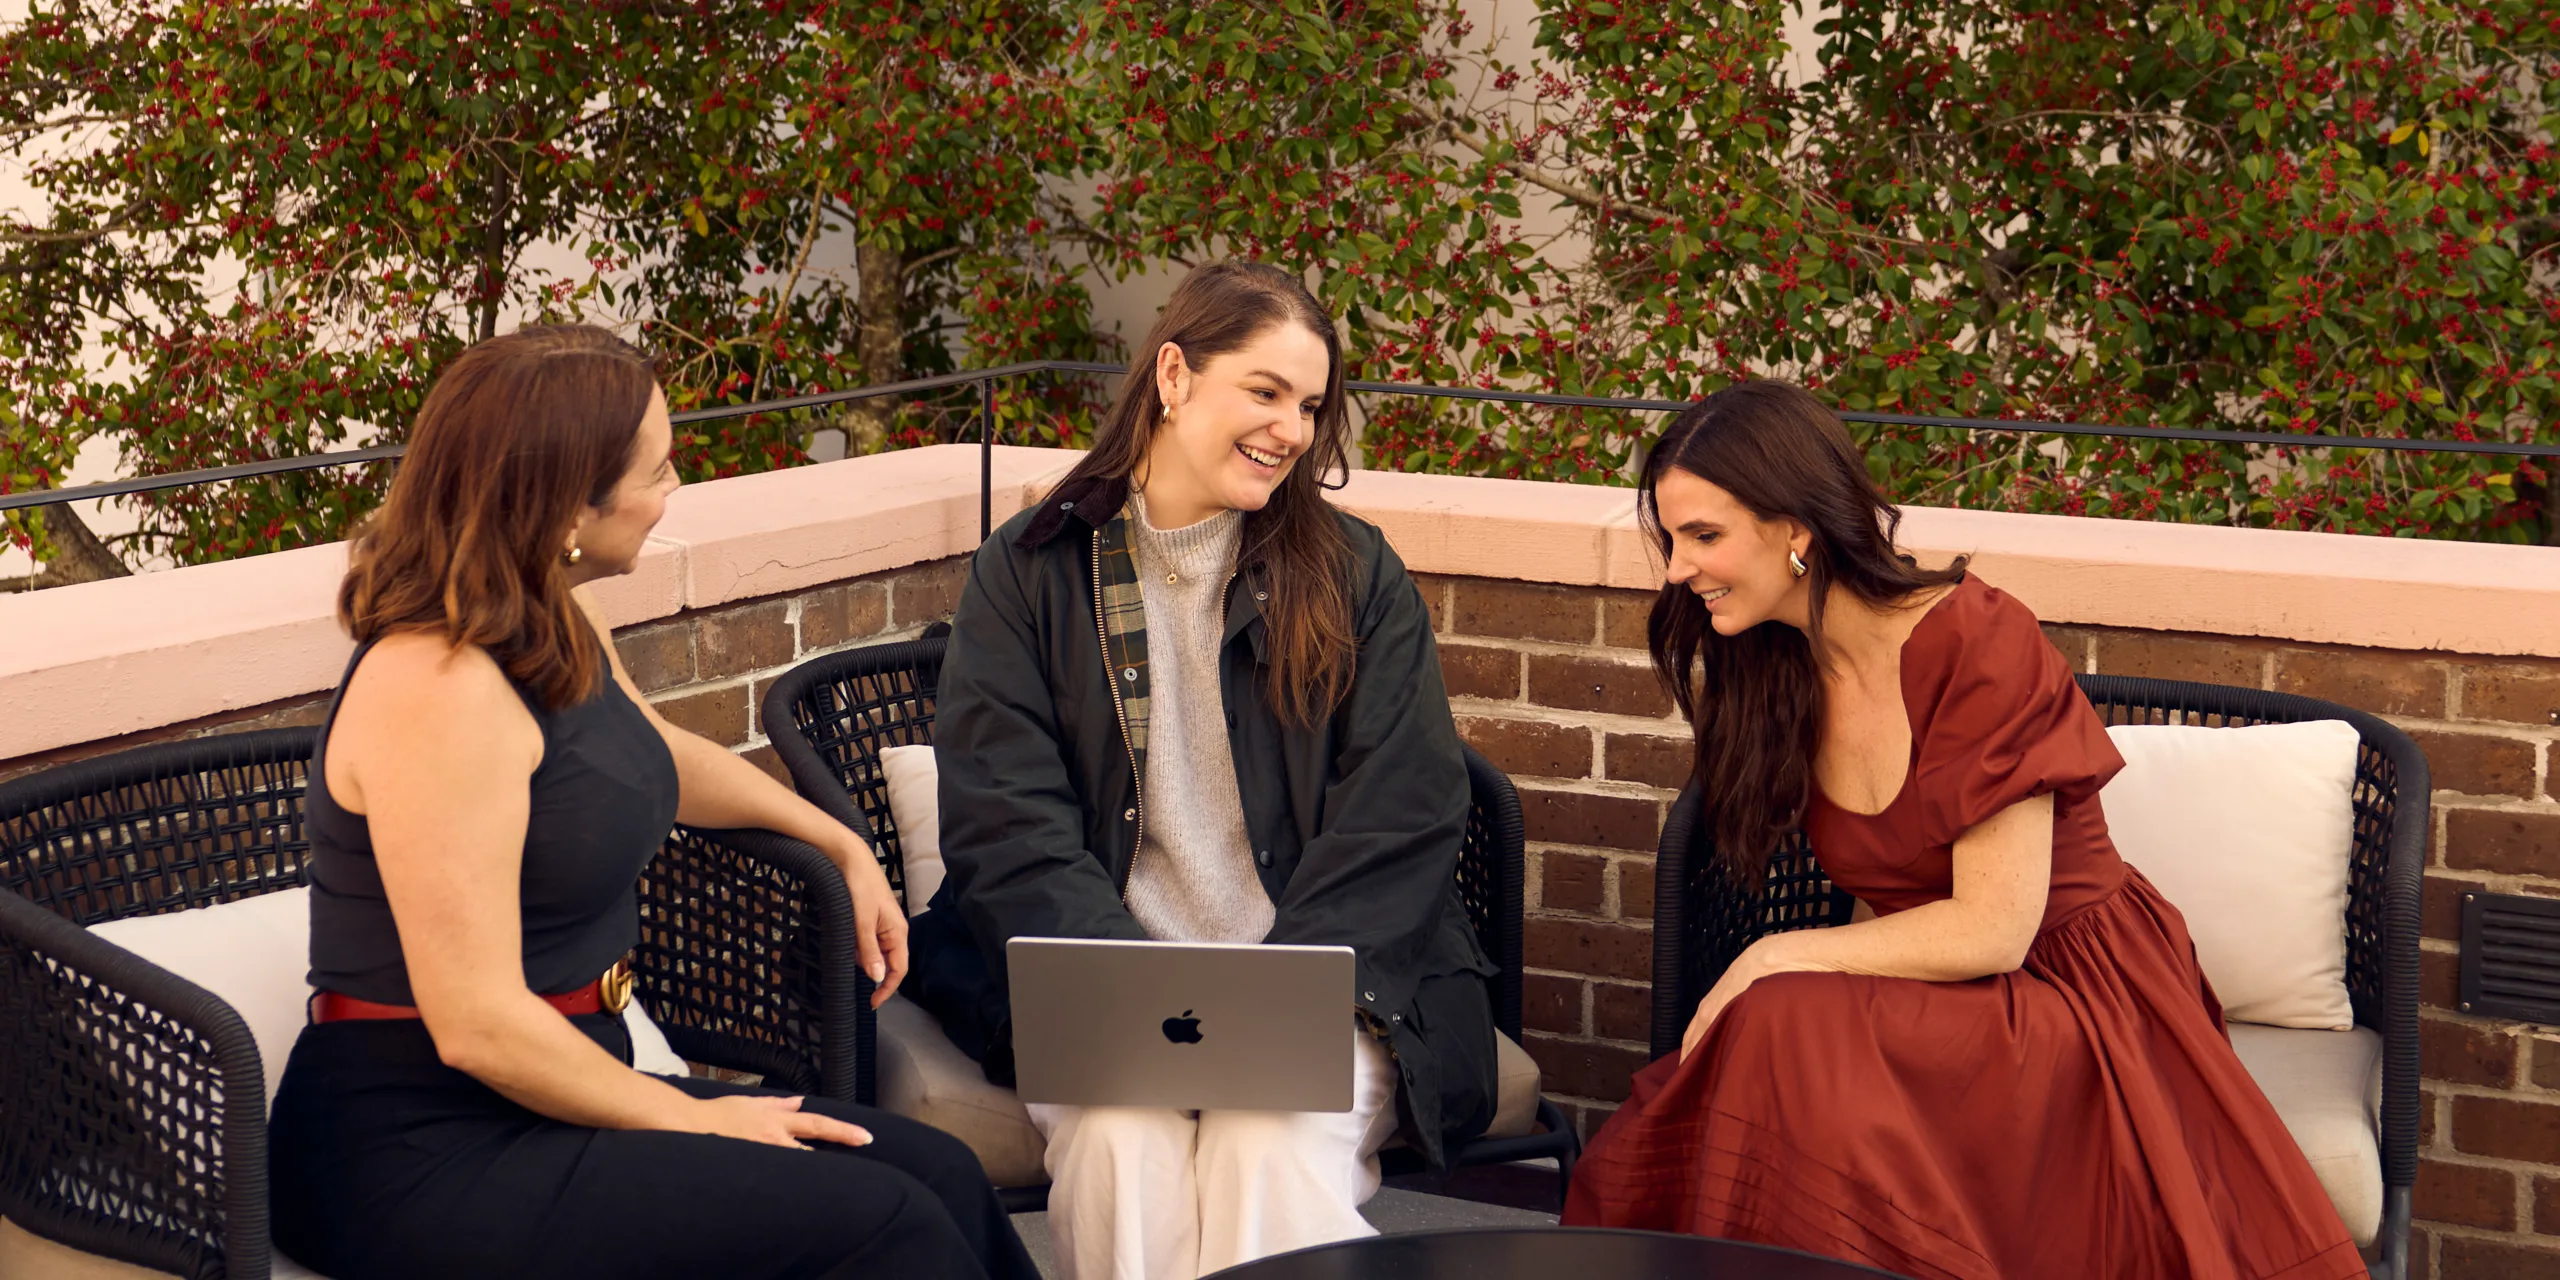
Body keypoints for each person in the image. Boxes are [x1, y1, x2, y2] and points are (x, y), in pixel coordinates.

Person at [266, 325, 1038, 1280]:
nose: (675, 492)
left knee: (939, 1173)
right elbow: (475, 1023)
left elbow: (654, 755)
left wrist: (840, 841)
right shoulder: (440, 684)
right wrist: (695, 1115)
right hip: (416, 1147)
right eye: (659, 470)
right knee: (887, 1224)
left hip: (560, 1093)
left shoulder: (554, 609)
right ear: (565, 508)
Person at [1559, 381, 2365, 1280]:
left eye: (1704, 537)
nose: (1677, 568)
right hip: (1944, 993)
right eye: (1671, 540)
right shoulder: (1783, 664)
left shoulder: (1979, 641)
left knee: (1779, 1016)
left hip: (2072, 993)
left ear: (1797, 531)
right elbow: (1884, 896)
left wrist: (1769, 958)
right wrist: (1835, 1007)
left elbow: (1995, 928)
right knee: (1785, 1047)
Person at [919, 261, 1498, 1280]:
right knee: (1115, 1136)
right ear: (1175, 376)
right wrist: (1127, 999)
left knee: (1262, 1134)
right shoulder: (1027, 571)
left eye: (1311, 405)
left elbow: (1408, 804)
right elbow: (1005, 819)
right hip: (1107, 975)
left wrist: (1279, 1003)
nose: (1293, 429)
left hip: (1333, 985)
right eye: (1266, 392)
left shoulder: (1355, 573)